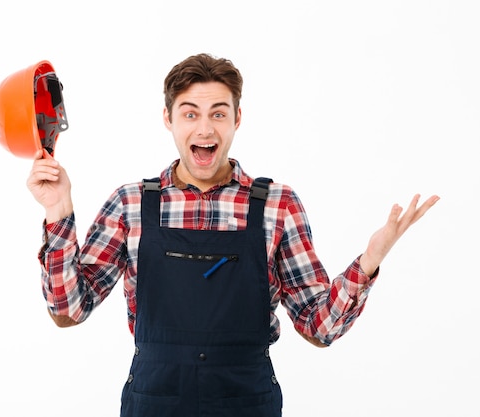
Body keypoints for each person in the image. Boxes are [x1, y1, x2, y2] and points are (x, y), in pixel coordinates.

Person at [27, 53, 439, 416]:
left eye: (218, 113)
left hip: (246, 402)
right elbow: (68, 310)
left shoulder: (278, 204)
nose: (205, 129)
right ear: (168, 119)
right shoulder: (131, 203)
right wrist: (58, 210)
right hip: (155, 402)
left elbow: (318, 328)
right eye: (190, 113)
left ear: (237, 119)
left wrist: (368, 262)